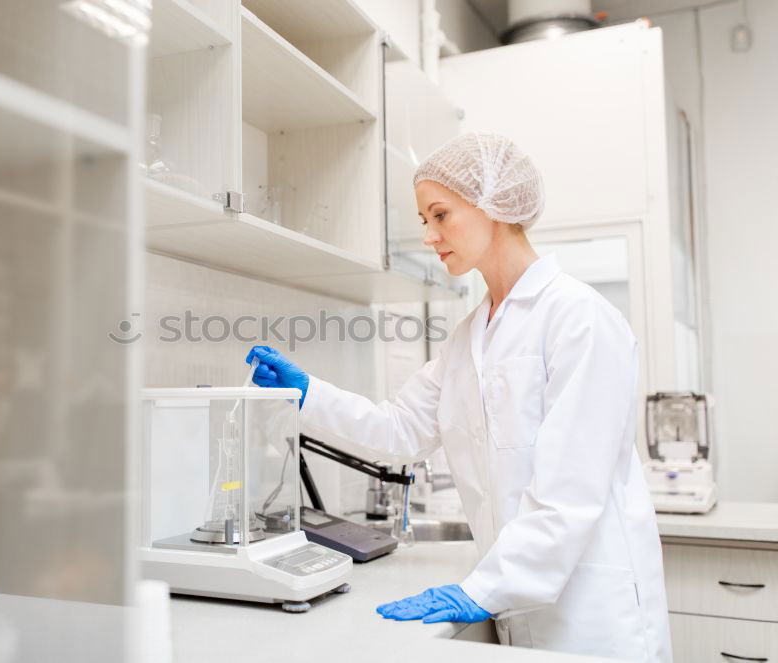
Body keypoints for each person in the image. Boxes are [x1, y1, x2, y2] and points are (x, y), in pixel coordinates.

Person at [245, 133, 672, 662]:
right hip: (516, 605)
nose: (429, 234)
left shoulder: (578, 318)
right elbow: (399, 431)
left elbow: (570, 490)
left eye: (440, 214)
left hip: (591, 611)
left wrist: (481, 589)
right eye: (425, 219)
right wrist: (308, 394)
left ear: (496, 206)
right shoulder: (470, 337)